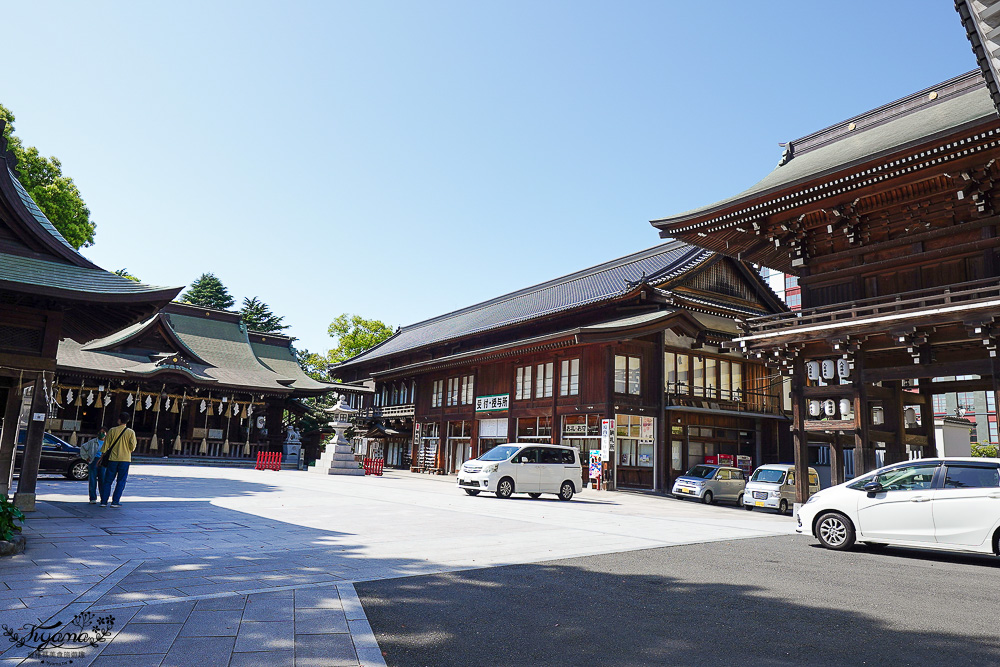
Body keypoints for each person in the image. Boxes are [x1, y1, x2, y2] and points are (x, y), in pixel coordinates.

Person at [99, 412, 137, 508]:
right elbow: (133, 446)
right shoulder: (131, 432)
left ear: (119, 420)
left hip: (113, 458)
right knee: (121, 481)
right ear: (127, 421)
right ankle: (115, 501)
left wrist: (101, 457)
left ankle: (104, 501)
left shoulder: (112, 430)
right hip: (125, 459)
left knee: (108, 481)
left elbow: (106, 445)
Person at [79, 429, 106, 504]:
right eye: (100, 432)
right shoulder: (93, 442)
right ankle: (92, 498)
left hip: (103, 461)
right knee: (92, 480)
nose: (101, 434)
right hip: (94, 460)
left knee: (103, 480)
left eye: (103, 432)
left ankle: (103, 497)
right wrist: (86, 457)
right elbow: (83, 447)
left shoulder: (108, 442)